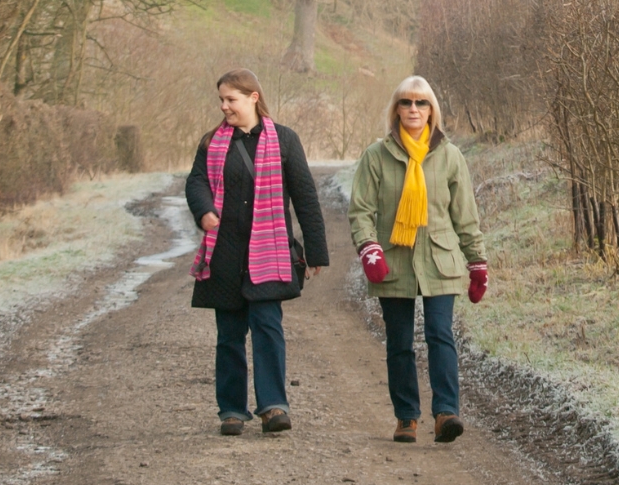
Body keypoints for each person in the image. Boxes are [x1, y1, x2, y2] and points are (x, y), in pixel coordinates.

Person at [186, 69, 329, 436]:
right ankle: (231, 410)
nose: (224, 106)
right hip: (226, 255)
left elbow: (305, 196)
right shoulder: (211, 143)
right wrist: (204, 211)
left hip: (269, 252)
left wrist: (316, 252)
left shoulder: (284, 140)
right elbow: (196, 181)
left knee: (268, 328)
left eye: (231, 99)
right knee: (229, 335)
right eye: (221, 100)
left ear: (253, 97)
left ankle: (273, 407)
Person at [348, 75, 488, 444]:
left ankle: (446, 414)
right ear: (396, 109)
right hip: (393, 262)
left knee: (440, 335)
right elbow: (361, 211)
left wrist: (477, 263)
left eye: (421, 103)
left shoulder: (450, 155)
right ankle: (406, 417)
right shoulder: (376, 156)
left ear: (432, 110)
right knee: (400, 341)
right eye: (406, 103)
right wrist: (369, 248)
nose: (414, 109)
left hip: (441, 261)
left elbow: (465, 216)